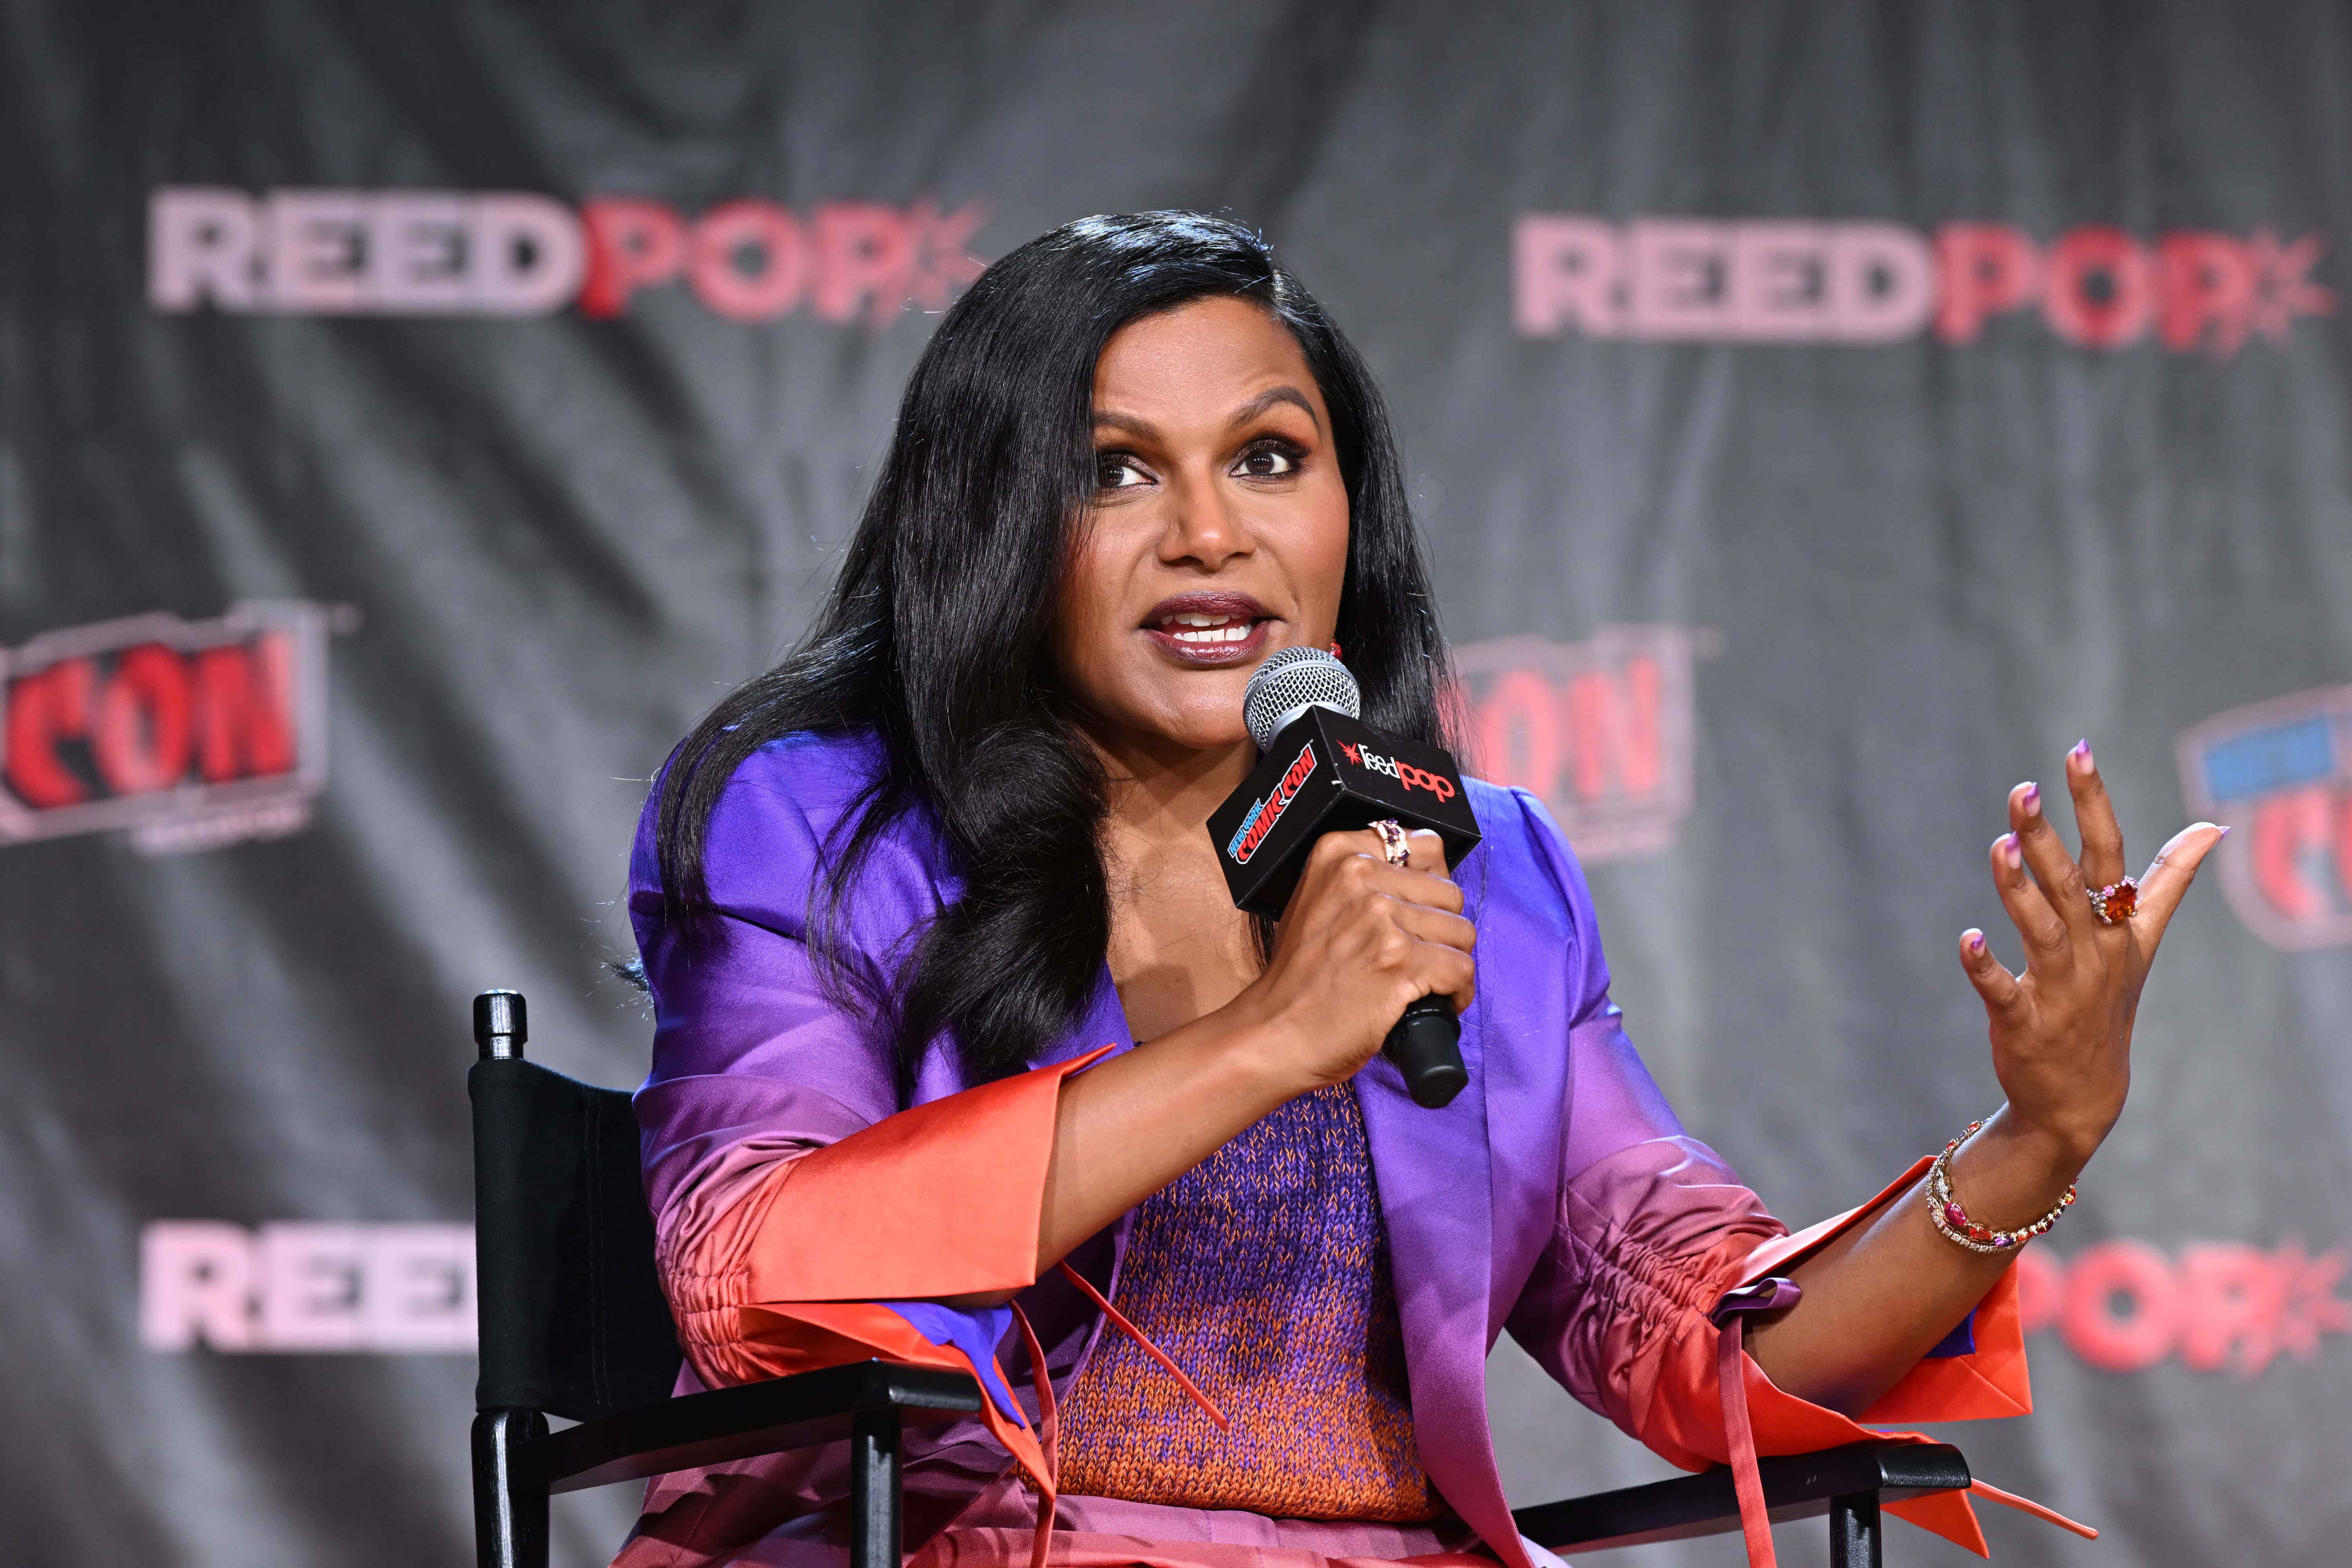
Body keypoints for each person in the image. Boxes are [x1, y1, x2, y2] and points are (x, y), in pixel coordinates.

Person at [612, 213, 2222, 1568]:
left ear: (1347, 513)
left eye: (1267, 458)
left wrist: (2036, 1140)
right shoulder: (824, 821)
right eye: (1115, 472)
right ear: (994, 527)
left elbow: (1692, 1341)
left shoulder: (1472, 864)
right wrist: (1270, 1038)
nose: (1209, 533)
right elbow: (752, 1273)